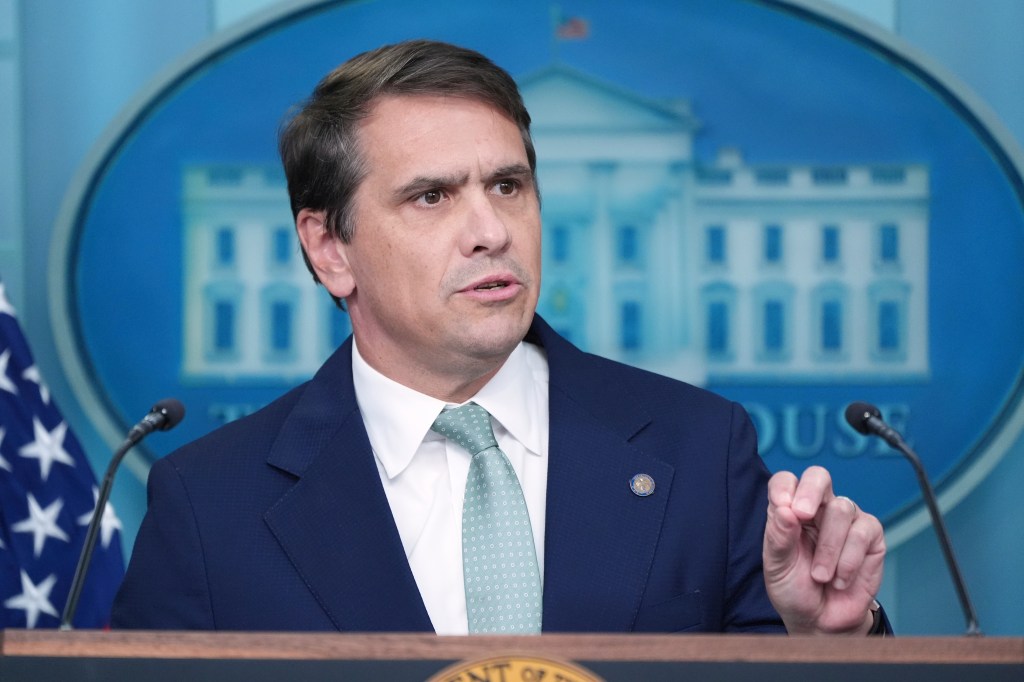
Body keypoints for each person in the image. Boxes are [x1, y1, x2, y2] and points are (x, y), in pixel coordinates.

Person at [112, 39, 887, 635]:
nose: (490, 231)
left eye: (508, 187)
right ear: (329, 250)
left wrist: (827, 645)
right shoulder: (210, 503)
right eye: (431, 197)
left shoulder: (699, 448)